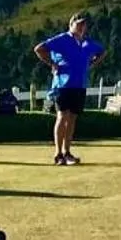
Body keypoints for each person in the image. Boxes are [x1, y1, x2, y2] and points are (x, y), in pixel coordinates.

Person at [34, 12, 104, 166]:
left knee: (72, 119)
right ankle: (58, 153)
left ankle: (67, 152)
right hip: (63, 84)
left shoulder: (87, 42)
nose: (81, 27)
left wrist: (92, 63)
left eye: (83, 24)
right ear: (71, 25)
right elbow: (39, 49)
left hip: (79, 84)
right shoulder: (62, 39)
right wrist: (52, 63)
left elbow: (101, 51)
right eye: (78, 24)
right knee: (62, 116)